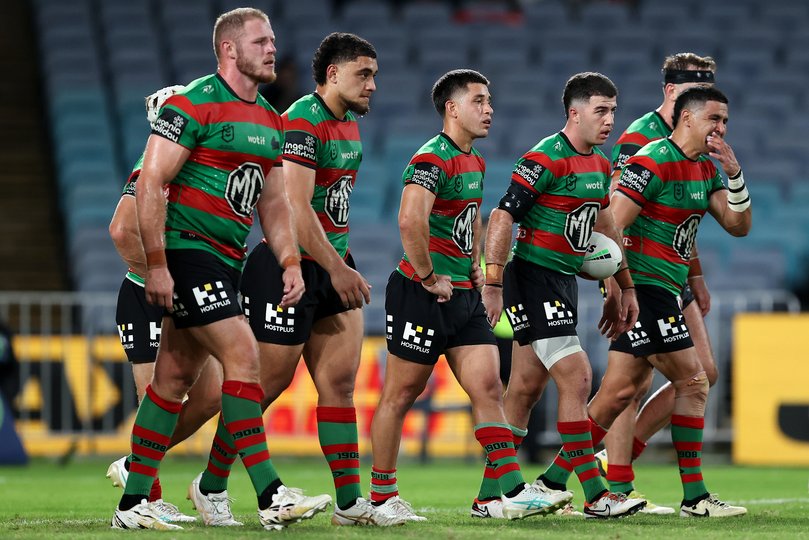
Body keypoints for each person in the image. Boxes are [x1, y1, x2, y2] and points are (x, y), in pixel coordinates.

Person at [111, 8, 331, 531]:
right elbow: (150, 183)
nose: (272, 49)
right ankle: (271, 493)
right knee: (243, 352)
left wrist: (289, 260)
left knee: (173, 378)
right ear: (230, 50)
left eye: (273, 40)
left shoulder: (270, 120)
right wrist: (157, 265)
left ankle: (132, 501)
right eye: (260, 42)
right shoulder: (193, 104)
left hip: (226, 260)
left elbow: (275, 204)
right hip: (189, 251)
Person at [186, 32, 403, 527]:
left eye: (374, 75)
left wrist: (338, 264)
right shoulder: (303, 120)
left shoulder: (348, 125)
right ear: (332, 74)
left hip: (330, 266)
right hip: (289, 268)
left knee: (341, 384)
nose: (373, 84)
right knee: (267, 384)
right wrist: (337, 267)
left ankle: (350, 504)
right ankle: (211, 484)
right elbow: (294, 208)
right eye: (363, 74)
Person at [369, 68, 573, 523]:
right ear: (452, 108)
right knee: (400, 395)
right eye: (479, 101)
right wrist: (427, 276)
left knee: (488, 388)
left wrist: (476, 269)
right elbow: (409, 220)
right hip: (420, 295)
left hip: (463, 295)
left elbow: (473, 218)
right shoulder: (430, 159)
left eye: (490, 101)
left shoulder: (475, 161)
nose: (489, 109)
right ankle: (381, 497)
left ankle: (503, 493)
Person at [477, 72, 646, 520]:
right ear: (574, 113)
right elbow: (501, 216)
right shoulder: (545, 157)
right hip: (532, 277)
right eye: (600, 110)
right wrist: (493, 282)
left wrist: (622, 285)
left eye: (613, 110)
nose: (610, 119)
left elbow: (607, 227)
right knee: (577, 377)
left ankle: (488, 497)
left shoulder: (601, 164)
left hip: (564, 281)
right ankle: (596, 495)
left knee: (525, 389)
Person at [587, 85, 751, 517]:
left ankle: (553, 482)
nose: (721, 128)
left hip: (663, 291)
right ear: (687, 118)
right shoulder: (654, 158)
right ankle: (695, 498)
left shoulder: (706, 171)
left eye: (726, 122)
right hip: (648, 288)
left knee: (617, 395)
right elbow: (611, 225)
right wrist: (620, 287)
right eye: (714, 119)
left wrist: (734, 174)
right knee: (695, 382)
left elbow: (738, 225)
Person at [106, 85, 223, 524]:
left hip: (181, 294)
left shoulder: (190, 165)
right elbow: (120, 230)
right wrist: (158, 274)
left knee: (211, 396)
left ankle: (136, 465)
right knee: (158, 397)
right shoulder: (151, 164)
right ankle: (144, 497)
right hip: (146, 295)